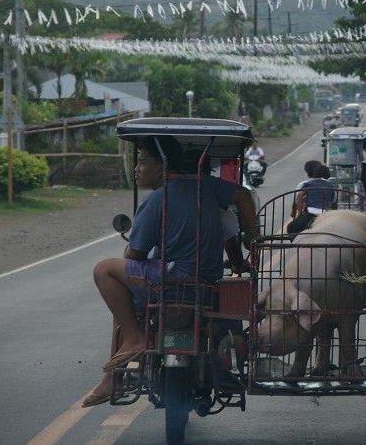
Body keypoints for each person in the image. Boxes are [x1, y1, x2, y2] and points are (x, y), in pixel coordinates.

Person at [82, 136, 258, 407]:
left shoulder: (156, 200)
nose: (137, 170)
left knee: (105, 270)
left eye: (142, 163)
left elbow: (135, 255)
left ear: (162, 167)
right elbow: (244, 196)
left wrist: (133, 255)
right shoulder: (209, 188)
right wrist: (254, 241)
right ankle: (119, 370)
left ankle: (134, 341)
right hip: (205, 283)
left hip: (172, 280)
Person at [287, 164, 336, 234]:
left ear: (314, 174)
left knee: (291, 227)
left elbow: (299, 196)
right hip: (325, 214)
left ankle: (294, 242)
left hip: (310, 213)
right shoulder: (331, 186)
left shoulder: (308, 184)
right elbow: (333, 202)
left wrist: (300, 213)